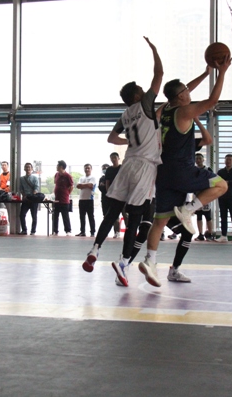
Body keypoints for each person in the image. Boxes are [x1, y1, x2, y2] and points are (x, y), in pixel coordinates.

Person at [141, 54, 231, 287]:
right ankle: (188, 209)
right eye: (185, 91)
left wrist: (205, 74)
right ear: (181, 96)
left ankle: (150, 261)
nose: (189, 91)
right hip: (182, 170)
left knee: (159, 222)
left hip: (163, 174)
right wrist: (221, 72)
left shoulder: (164, 111)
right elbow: (212, 100)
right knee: (222, 185)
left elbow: (182, 89)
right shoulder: (184, 112)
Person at [82, 36, 163, 285]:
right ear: (137, 94)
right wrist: (154, 50)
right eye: (140, 88)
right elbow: (159, 74)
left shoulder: (125, 114)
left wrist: (130, 142)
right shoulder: (145, 104)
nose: (144, 89)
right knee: (135, 218)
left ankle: (95, 249)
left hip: (127, 165)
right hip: (144, 167)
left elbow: (111, 138)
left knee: (113, 212)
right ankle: (124, 262)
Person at [217, 154, 232, 243]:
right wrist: (226, 182)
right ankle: (223, 235)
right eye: (226, 159)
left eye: (230, 159)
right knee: (223, 217)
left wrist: (225, 182)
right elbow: (218, 182)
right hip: (222, 197)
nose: (228, 161)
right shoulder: (220, 172)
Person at [193, 152, 214, 241]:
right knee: (199, 216)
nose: (198, 160)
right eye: (196, 159)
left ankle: (210, 233)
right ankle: (200, 234)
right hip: (196, 194)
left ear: (203, 159)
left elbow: (213, 181)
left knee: (208, 216)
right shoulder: (193, 170)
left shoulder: (208, 169)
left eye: (199, 158)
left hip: (206, 195)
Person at [52, 160, 73, 236]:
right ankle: (55, 231)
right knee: (55, 216)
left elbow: (71, 186)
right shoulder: (56, 175)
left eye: (57, 166)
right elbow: (55, 183)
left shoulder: (68, 176)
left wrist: (67, 194)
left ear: (61, 167)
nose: (56, 167)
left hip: (64, 200)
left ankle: (68, 230)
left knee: (65, 216)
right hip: (56, 199)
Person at [75, 163, 97, 237]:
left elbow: (91, 185)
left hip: (89, 199)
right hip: (81, 199)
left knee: (90, 216)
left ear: (91, 169)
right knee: (82, 216)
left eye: (88, 168)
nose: (87, 169)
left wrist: (82, 185)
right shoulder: (81, 178)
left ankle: (92, 232)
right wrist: (86, 185)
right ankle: (82, 231)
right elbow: (78, 186)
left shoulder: (93, 178)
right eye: (86, 168)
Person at [104, 153, 122, 238]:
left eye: (115, 157)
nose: (113, 159)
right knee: (115, 214)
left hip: (123, 193)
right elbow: (107, 182)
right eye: (111, 158)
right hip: (113, 194)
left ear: (118, 158)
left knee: (126, 214)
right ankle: (117, 231)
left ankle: (130, 231)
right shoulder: (109, 170)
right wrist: (108, 193)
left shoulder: (122, 168)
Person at [19, 162, 40, 235]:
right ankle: (24, 230)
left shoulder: (35, 178)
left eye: (29, 167)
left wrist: (32, 196)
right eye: (26, 167)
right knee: (22, 215)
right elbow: (21, 189)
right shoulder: (21, 179)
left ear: (32, 169)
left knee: (34, 216)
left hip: (33, 200)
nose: (28, 168)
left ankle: (33, 231)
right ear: (24, 169)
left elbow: (36, 188)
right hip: (25, 199)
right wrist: (24, 195)